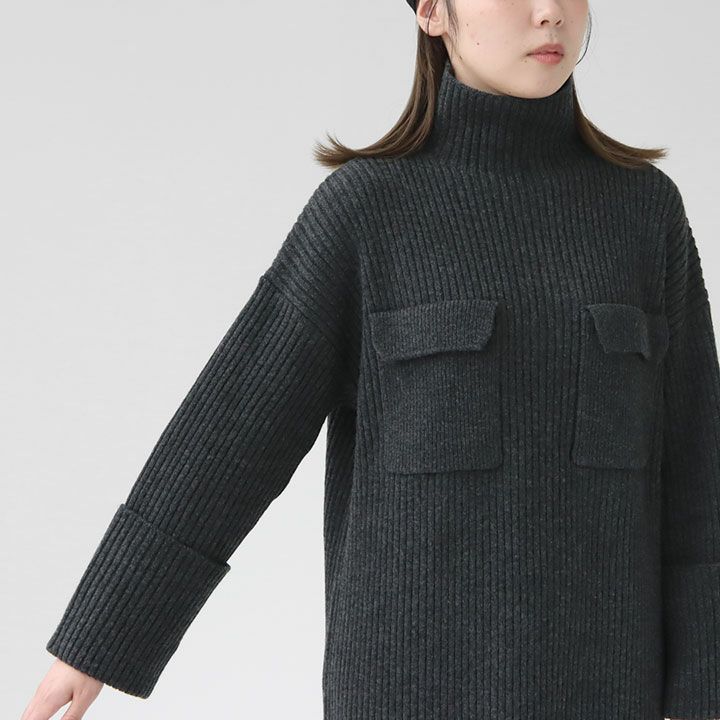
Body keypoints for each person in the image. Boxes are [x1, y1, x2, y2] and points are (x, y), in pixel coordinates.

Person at [22, 1, 720, 719]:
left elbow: (699, 480)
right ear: (432, 12)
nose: (549, 13)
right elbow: (230, 438)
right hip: (405, 692)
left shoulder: (645, 215)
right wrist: (97, 643)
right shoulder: (365, 210)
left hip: (605, 692)